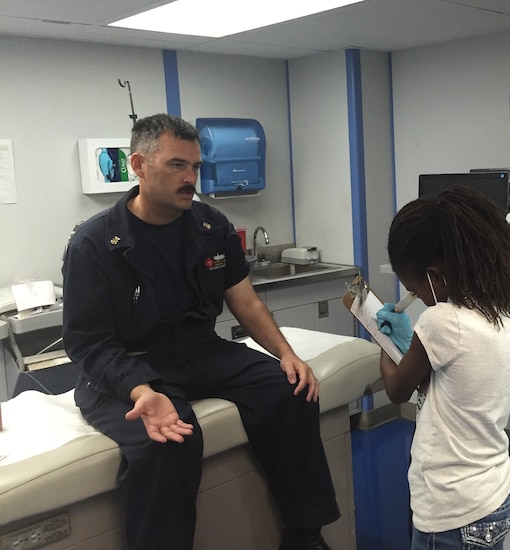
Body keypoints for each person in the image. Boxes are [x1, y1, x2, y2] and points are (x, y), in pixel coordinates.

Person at [62, 113, 340, 550]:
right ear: (138, 165)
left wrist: (285, 353)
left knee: (290, 390)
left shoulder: (212, 227)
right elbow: (88, 344)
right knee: (169, 442)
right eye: (177, 165)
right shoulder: (95, 244)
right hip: (125, 367)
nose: (191, 177)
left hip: (198, 352)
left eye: (195, 167)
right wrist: (141, 392)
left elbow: (244, 299)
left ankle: (305, 533)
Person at [376, 186, 510, 550]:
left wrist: (380, 339)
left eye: (414, 289)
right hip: (498, 488)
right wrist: (409, 340)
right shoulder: (507, 309)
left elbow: (397, 389)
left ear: (435, 275)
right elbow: (449, 381)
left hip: (452, 511)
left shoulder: (442, 321)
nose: (416, 298)